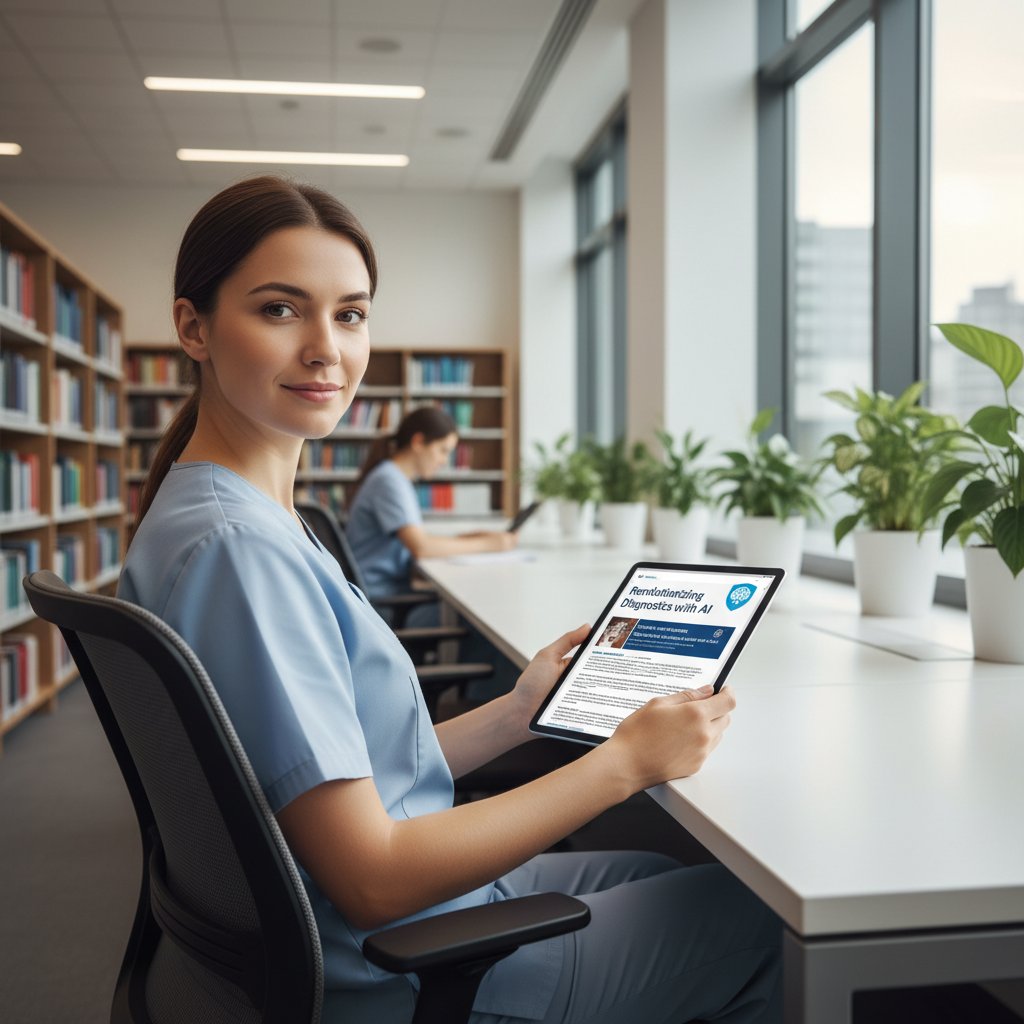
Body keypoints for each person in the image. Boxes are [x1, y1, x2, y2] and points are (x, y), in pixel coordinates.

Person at [119, 175, 782, 1024]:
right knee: (758, 922)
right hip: (388, 963)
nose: (327, 348)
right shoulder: (241, 551)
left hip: (371, 928)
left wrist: (516, 713)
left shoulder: (225, 518)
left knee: (666, 878)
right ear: (193, 327)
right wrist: (623, 765)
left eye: (350, 313)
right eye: (281, 310)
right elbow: (372, 875)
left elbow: (347, 776)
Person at [346, 404, 516, 613]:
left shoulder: (396, 478)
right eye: (443, 451)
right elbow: (423, 548)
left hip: (387, 594)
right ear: (418, 442)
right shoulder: (389, 480)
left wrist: (470, 538)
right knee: (482, 613)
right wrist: (490, 544)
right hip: (381, 602)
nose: (444, 461)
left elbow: (418, 540)